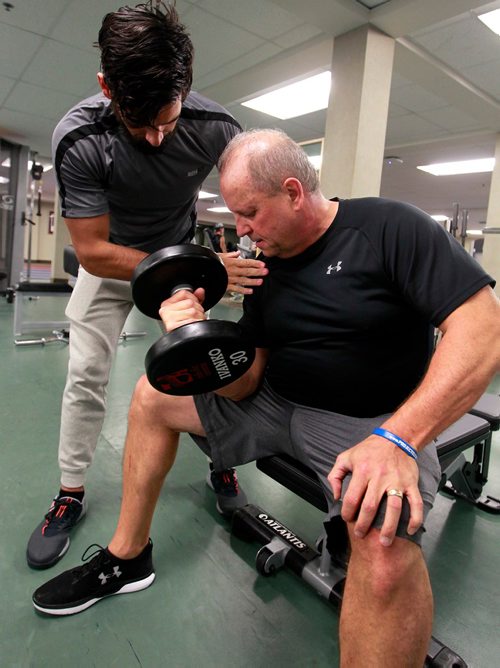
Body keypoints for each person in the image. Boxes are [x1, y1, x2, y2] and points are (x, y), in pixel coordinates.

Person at [33, 130, 500, 666]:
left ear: (294, 191)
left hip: (371, 425)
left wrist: (399, 438)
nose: (242, 231)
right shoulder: (266, 265)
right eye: (236, 216)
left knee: (384, 542)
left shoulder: (388, 227)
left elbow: (484, 330)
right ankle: (129, 556)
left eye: (249, 212)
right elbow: (246, 381)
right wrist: (198, 339)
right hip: (276, 403)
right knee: (151, 395)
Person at [26, 2, 268, 571]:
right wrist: (199, 265)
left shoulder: (217, 128)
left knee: (204, 364)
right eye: (143, 125)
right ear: (106, 87)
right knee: (85, 372)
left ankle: (221, 461)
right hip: (113, 265)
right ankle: (70, 493)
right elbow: (92, 250)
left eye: (169, 119)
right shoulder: (79, 138)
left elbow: (250, 204)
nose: (160, 138)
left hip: (182, 264)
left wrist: (236, 257)